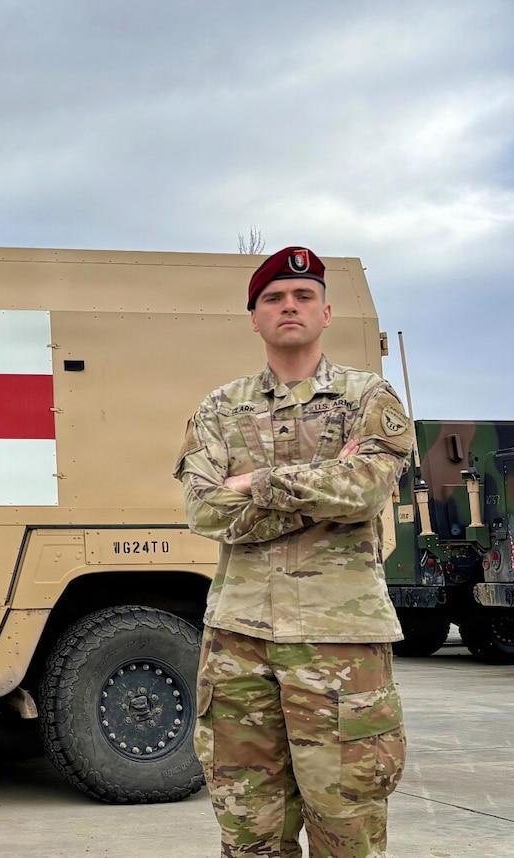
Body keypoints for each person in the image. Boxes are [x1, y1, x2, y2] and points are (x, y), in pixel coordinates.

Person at [173, 246, 412, 858]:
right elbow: (203, 510)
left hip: (339, 642)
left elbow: (367, 490)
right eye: (273, 298)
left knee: (347, 829)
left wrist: (256, 483)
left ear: (326, 313)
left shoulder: (368, 398)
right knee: (248, 833)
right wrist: (324, 481)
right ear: (254, 317)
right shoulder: (220, 408)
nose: (289, 306)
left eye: (303, 296)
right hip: (238, 644)